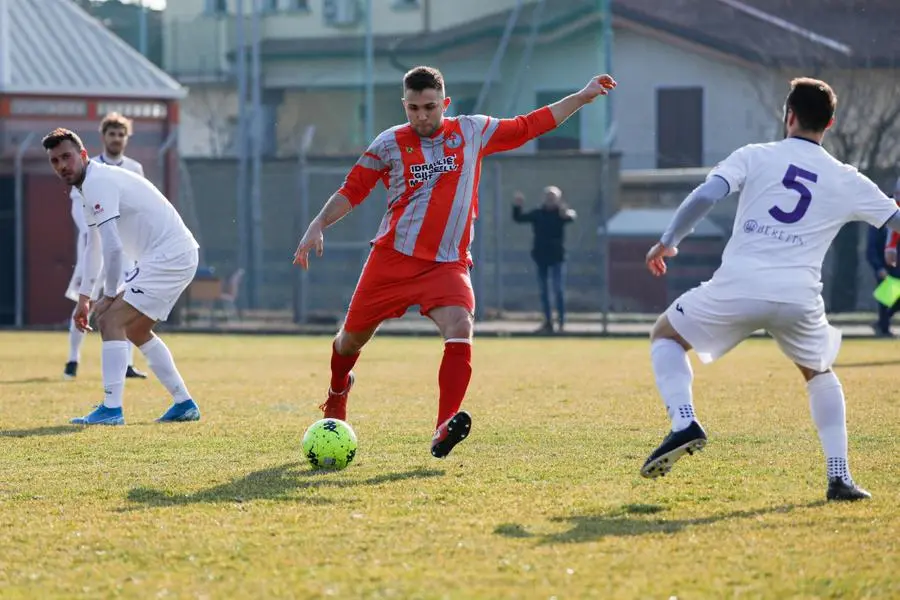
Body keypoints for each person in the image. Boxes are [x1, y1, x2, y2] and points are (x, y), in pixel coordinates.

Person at [293, 66, 616, 458]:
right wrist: (317, 223)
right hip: (391, 259)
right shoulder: (389, 143)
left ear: (445, 103)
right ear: (404, 105)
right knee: (349, 342)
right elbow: (353, 189)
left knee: (460, 326)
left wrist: (582, 96)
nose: (421, 116)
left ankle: (444, 424)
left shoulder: (472, 131)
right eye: (413, 108)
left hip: (447, 265)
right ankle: (337, 392)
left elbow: (529, 125)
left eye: (429, 107)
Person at [641, 77, 900, 502]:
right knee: (820, 373)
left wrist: (669, 240)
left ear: (789, 116)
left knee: (666, 335)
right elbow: (895, 221)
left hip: (738, 286)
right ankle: (839, 477)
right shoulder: (846, 177)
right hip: (798, 297)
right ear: (830, 123)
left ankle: (684, 421)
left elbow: (705, 195)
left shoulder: (756, 155)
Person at [43, 128, 201, 426]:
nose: (62, 165)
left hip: (169, 255)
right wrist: (84, 299)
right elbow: (95, 246)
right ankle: (184, 403)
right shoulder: (87, 186)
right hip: (171, 256)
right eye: (55, 161)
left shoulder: (98, 182)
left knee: (111, 319)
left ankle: (111, 409)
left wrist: (111, 293)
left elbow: (114, 250)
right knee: (136, 330)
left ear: (83, 155)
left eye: (67, 157)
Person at [65, 112, 148, 380]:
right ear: (104, 137)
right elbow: (79, 209)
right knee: (85, 298)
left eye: (121, 134)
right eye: (112, 133)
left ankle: (126, 364)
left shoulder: (134, 169)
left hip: (125, 248)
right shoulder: (90, 168)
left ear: (127, 138)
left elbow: (140, 205)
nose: (116, 138)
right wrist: (95, 233)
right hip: (94, 243)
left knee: (127, 299)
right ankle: (73, 359)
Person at [512, 186, 576, 333]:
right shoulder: (538, 213)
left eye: (553, 197)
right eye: (548, 197)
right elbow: (519, 218)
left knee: (558, 289)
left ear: (558, 199)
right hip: (541, 257)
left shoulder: (561, 214)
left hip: (557, 257)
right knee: (544, 291)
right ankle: (548, 322)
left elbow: (571, 216)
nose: (550, 199)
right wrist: (517, 206)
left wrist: (568, 213)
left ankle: (561, 323)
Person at [865, 194, 900, 337]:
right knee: (885, 300)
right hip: (884, 266)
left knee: (894, 299)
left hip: (897, 266)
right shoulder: (878, 222)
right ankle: (883, 329)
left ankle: (881, 323)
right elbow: (871, 248)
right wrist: (879, 268)